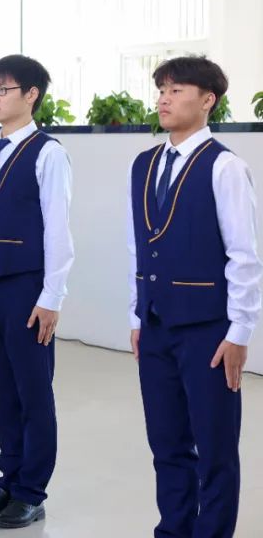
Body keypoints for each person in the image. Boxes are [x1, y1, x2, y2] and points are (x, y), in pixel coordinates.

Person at [128, 56, 262, 538]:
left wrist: (240, 332)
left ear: (208, 100)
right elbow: (137, 245)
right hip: (156, 325)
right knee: (166, 442)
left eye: (177, 90)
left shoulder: (225, 167)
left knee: (215, 446)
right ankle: (174, 529)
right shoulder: (143, 165)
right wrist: (137, 315)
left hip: (209, 330)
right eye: (162, 89)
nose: (164, 99)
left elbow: (244, 256)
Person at [0, 55, 74, 529]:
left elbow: (58, 230)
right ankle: (8, 480)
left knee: (32, 392)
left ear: (31, 95)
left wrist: (52, 297)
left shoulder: (48, 154)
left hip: (27, 287)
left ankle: (31, 491)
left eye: (3, 89)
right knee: (1, 390)